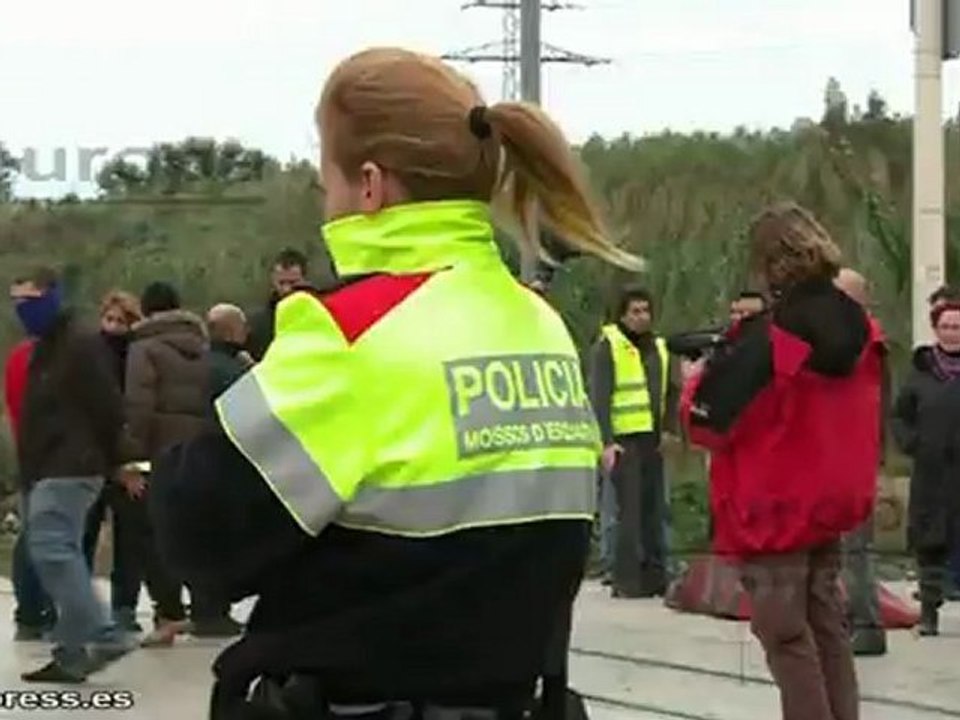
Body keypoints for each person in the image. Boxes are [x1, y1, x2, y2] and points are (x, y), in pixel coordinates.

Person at [147, 46, 640, 720]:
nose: (327, 201)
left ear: (371, 186)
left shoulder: (352, 332)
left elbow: (200, 541)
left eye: (328, 180)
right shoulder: (540, 325)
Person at [682, 203, 883, 720]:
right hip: (828, 502)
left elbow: (707, 420)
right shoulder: (858, 324)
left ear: (769, 263)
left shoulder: (770, 335)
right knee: (826, 627)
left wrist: (695, 381)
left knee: (785, 636)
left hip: (773, 507)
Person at [13, 267, 136, 683]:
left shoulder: (79, 344)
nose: (21, 310)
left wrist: (114, 458)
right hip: (50, 465)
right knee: (55, 551)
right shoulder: (47, 347)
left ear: (51, 297)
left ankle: (102, 634)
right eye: (15, 303)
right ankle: (70, 652)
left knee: (52, 548)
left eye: (28, 301)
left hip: (70, 465)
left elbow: (109, 406)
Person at [125, 281, 239, 643]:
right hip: (203, 447)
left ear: (147, 311)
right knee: (201, 530)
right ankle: (211, 610)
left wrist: (130, 453)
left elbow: (139, 403)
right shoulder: (203, 348)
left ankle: (170, 610)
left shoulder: (144, 348)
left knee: (156, 533)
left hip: (162, 451)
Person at [590, 287, 679, 598]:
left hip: (653, 438)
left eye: (646, 311)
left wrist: (669, 429)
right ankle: (627, 580)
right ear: (623, 315)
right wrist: (606, 442)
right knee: (629, 513)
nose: (642, 317)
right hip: (625, 439)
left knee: (655, 510)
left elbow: (671, 390)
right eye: (635, 311)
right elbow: (599, 396)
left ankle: (656, 576)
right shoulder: (609, 346)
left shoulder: (658, 347)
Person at [891, 300, 960, 636]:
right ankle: (929, 614)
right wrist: (913, 443)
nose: (952, 333)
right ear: (936, 330)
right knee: (930, 542)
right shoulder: (920, 372)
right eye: (946, 327)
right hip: (931, 472)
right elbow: (900, 416)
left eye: (958, 327)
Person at [81, 290, 144, 634]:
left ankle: (124, 608)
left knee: (129, 540)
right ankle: (81, 607)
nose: (114, 327)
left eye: (121, 321)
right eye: (109, 319)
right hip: (93, 460)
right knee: (85, 536)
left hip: (129, 460)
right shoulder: (89, 356)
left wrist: (128, 462)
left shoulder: (138, 358)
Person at [833, 268, 888, 656]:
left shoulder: (859, 339)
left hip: (850, 455)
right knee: (846, 547)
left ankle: (866, 622)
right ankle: (855, 620)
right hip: (843, 451)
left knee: (855, 546)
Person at [5, 330, 56, 641]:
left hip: (27, 449)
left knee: (30, 530)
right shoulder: (55, 360)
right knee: (48, 533)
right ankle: (41, 607)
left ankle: (28, 611)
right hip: (52, 452)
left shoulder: (18, 356)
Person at [246, 248, 308, 361]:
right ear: (273, 280)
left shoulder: (318, 317)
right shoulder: (257, 323)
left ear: (304, 280)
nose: (286, 289)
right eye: (281, 283)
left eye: (293, 283)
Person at [207, 303, 255, 400]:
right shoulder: (235, 373)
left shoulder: (192, 360)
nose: (248, 330)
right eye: (243, 325)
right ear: (229, 331)